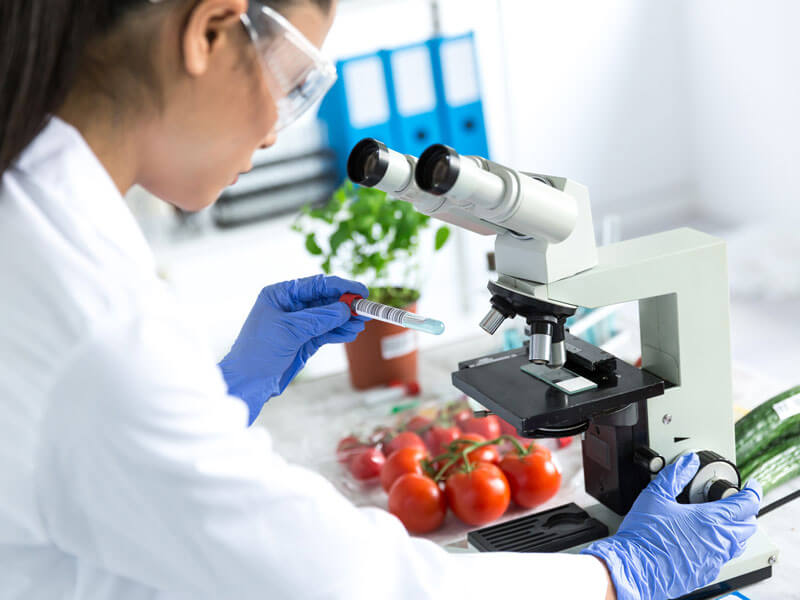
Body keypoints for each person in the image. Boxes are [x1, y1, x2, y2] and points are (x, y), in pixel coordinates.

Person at [0, 1, 762, 599]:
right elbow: (345, 585)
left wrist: (218, 397)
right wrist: (615, 577)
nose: (273, 133)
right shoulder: (97, 326)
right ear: (206, 32)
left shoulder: (34, 219)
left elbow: (100, 473)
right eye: (290, 87)